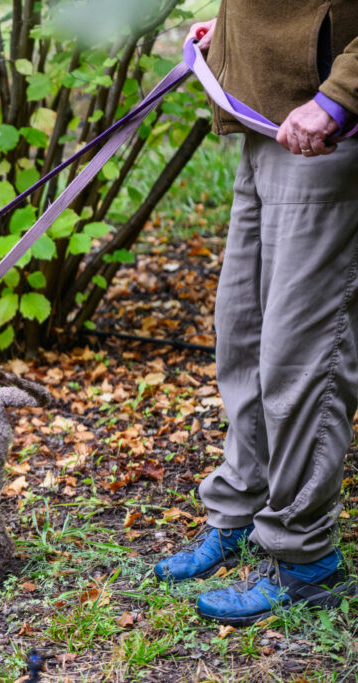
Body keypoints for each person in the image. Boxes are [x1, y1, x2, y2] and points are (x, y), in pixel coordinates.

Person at [154, 4, 358, 626]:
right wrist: (233, 37)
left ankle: (305, 558)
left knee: (302, 355)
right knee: (241, 337)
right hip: (264, 120)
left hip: (323, 129)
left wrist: (342, 93)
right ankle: (241, 511)